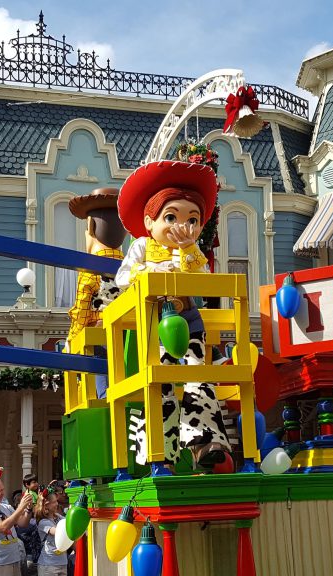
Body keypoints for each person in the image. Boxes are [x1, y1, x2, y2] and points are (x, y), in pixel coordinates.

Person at [115, 160, 231, 471]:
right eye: (171, 217)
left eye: (193, 219)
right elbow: (123, 278)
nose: (183, 226)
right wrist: (154, 270)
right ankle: (159, 454)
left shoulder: (193, 251)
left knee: (199, 376)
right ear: (149, 221)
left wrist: (185, 250)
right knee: (160, 385)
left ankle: (205, 444)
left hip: (189, 318)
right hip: (155, 323)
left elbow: (203, 276)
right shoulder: (142, 246)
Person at [65, 187, 126, 399]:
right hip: (130, 341)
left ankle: (104, 399)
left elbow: (81, 312)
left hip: (101, 338)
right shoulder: (132, 266)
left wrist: (71, 342)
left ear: (90, 228)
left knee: (101, 378)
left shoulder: (90, 270)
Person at [34, 494, 66, 576]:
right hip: (48, 565)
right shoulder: (43, 522)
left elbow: (69, 523)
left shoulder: (58, 517)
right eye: (54, 502)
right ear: (46, 505)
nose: (57, 504)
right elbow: (58, 532)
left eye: (57, 501)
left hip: (62, 562)